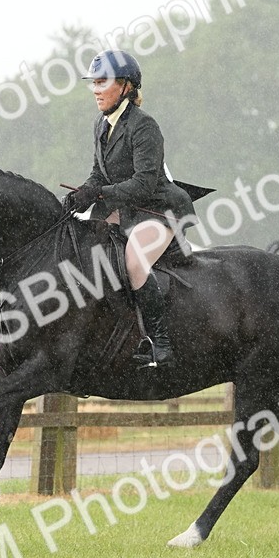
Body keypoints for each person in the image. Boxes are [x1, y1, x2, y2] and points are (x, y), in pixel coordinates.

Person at [63, 49, 198, 367]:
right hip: (125, 209)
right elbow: (99, 173)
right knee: (89, 253)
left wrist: (98, 192)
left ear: (125, 86)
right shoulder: (101, 124)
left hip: (158, 209)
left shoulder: (144, 126)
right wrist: (83, 193)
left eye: (102, 82)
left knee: (133, 262)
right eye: (94, 83)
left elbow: (144, 184)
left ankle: (160, 343)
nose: (95, 90)